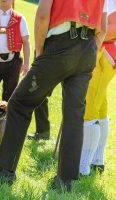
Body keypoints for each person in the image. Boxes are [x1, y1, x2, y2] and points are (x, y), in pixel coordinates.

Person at [0, 0, 107, 191]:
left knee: (19, 104)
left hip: (60, 45)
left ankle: (5, 170)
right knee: (74, 116)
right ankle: (65, 182)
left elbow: (43, 14)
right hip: (87, 48)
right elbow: (102, 25)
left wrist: (40, 52)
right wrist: (92, 48)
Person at [80, 0, 116, 176]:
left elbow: (111, 29)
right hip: (104, 52)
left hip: (106, 53)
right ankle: (96, 160)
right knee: (100, 105)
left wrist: (86, 31)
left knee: (91, 104)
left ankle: (83, 165)